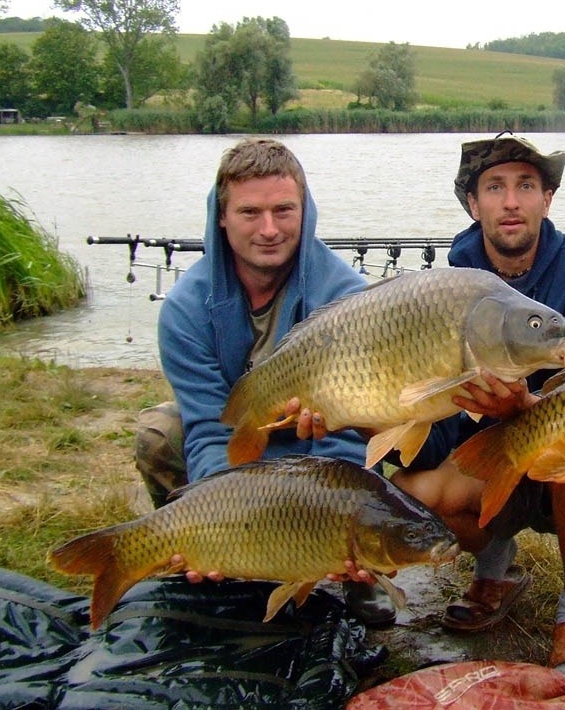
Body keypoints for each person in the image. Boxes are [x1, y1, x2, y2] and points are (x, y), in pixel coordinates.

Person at [389, 132, 565, 675]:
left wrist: (527, 403)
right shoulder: (452, 278)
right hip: (487, 455)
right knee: (409, 493)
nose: (511, 201)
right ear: (473, 205)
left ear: (548, 198)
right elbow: (437, 416)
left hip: (559, 463)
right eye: (494, 188)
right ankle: (496, 566)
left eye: (527, 185)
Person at [134, 137, 396, 627]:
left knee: (368, 468)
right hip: (239, 442)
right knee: (158, 433)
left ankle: (366, 574)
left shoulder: (347, 297)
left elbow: (342, 435)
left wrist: (336, 539)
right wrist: (213, 519)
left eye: (284, 210)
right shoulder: (185, 310)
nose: (270, 229)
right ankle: (198, 549)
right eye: (251, 213)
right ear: (222, 216)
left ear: (306, 210)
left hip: (317, 448)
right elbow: (211, 430)